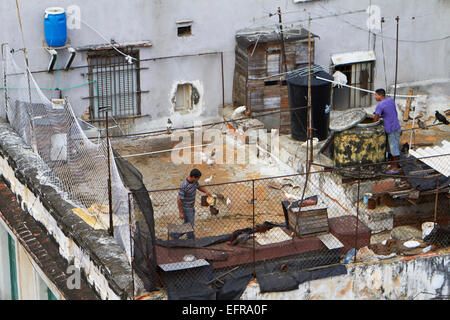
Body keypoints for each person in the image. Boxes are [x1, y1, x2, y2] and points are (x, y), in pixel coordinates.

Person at [175, 168, 212, 239]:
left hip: (191, 206)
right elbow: (179, 199)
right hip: (186, 207)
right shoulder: (184, 185)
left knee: (187, 223)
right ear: (193, 177)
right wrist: (180, 212)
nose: (198, 180)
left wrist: (206, 192)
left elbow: (198, 187)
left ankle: (175, 234)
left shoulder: (194, 182)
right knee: (190, 224)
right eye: (198, 178)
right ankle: (190, 238)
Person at [373, 88, 402, 174]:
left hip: (391, 128)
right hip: (396, 126)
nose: (375, 97)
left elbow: (375, 119)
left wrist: (374, 122)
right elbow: (392, 112)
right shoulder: (390, 100)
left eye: (375, 95)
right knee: (391, 148)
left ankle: (395, 168)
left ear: (379, 95)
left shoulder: (380, 105)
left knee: (394, 148)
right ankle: (393, 164)